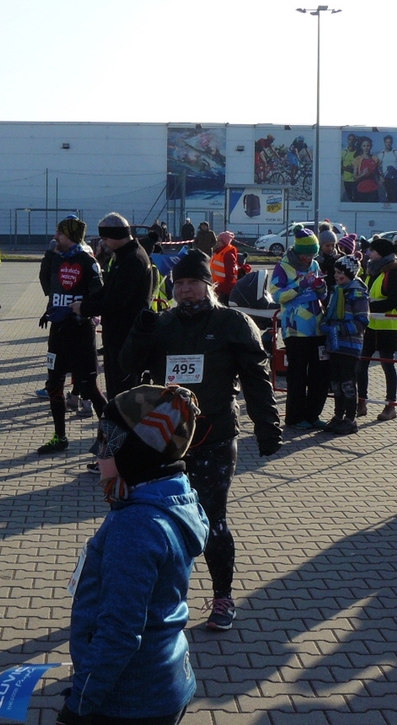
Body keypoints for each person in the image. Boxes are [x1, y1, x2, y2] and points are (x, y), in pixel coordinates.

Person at [120, 250, 282, 631]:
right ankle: (163, 595)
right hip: (167, 439)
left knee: (211, 518)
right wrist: (139, 330)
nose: (185, 291)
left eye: (193, 283)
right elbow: (127, 367)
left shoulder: (232, 323)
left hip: (215, 435)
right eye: (179, 284)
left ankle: (223, 597)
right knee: (163, 518)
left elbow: (257, 379)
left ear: (208, 285)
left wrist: (267, 426)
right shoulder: (162, 323)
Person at [59, 385, 208, 725]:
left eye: (107, 443)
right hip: (166, 679)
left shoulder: (135, 526)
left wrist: (79, 703)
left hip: (131, 700)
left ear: (136, 454)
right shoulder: (173, 495)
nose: (97, 455)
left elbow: (119, 632)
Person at [36, 217, 106, 455]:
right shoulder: (57, 258)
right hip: (58, 333)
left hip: (81, 333)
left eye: (60, 233)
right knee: (54, 385)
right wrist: (49, 255)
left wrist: (82, 311)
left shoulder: (87, 261)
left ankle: (108, 438)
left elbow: (98, 296)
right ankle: (60, 437)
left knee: (90, 388)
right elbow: (47, 286)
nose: (56, 236)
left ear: (72, 236)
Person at [70, 213, 155, 401]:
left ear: (117, 236)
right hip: (116, 335)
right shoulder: (122, 256)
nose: (103, 242)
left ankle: (121, 419)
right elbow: (108, 289)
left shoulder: (133, 259)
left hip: (126, 335)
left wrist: (84, 309)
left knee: (123, 391)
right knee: (115, 389)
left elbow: (116, 301)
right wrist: (85, 302)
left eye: (106, 238)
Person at [271, 229, 330, 429]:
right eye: (306, 255)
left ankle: (313, 415)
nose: (309, 259)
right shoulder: (283, 266)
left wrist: (321, 287)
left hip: (317, 328)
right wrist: (299, 284)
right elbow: (277, 295)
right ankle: (295, 418)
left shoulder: (314, 264)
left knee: (319, 375)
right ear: (298, 252)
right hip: (295, 330)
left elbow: (322, 295)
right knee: (297, 376)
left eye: (313, 254)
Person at [357, 237, 397, 422]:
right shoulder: (372, 271)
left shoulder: (393, 273)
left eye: (372, 250)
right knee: (361, 363)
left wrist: (368, 308)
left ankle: (390, 406)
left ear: (382, 253)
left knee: (387, 365)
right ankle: (361, 402)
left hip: (388, 326)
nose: (368, 253)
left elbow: (394, 301)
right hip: (370, 326)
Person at [319, 256, 369, 435]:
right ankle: (338, 415)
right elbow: (328, 313)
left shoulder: (357, 293)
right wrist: (324, 324)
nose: (336, 275)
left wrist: (339, 329)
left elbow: (362, 321)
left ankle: (350, 418)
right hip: (334, 345)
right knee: (336, 382)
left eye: (339, 272)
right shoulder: (336, 291)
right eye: (335, 272)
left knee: (348, 382)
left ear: (349, 274)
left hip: (350, 345)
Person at [211, 231, 241, 300]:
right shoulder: (219, 252)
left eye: (219, 241)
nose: (217, 242)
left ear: (224, 242)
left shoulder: (228, 255)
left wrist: (223, 289)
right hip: (217, 287)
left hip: (224, 289)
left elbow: (230, 275)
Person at [352, 137, 380, 202]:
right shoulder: (357, 160)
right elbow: (355, 178)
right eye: (364, 146)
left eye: (368, 146)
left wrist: (381, 177)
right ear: (361, 147)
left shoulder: (375, 158)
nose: (366, 148)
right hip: (362, 190)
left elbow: (377, 172)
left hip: (373, 189)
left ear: (371, 146)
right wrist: (363, 174)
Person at [316, 223, 340, 292]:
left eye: (333, 245)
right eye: (327, 245)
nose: (331, 248)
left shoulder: (338, 257)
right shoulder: (316, 259)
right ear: (320, 246)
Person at [378, 135, 397, 202]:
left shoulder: (396, 152)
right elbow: (378, 166)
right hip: (386, 178)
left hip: (396, 178)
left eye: (389, 142)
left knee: (396, 195)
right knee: (388, 195)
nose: (388, 144)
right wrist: (380, 176)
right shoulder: (381, 154)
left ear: (392, 143)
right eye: (387, 142)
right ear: (384, 143)